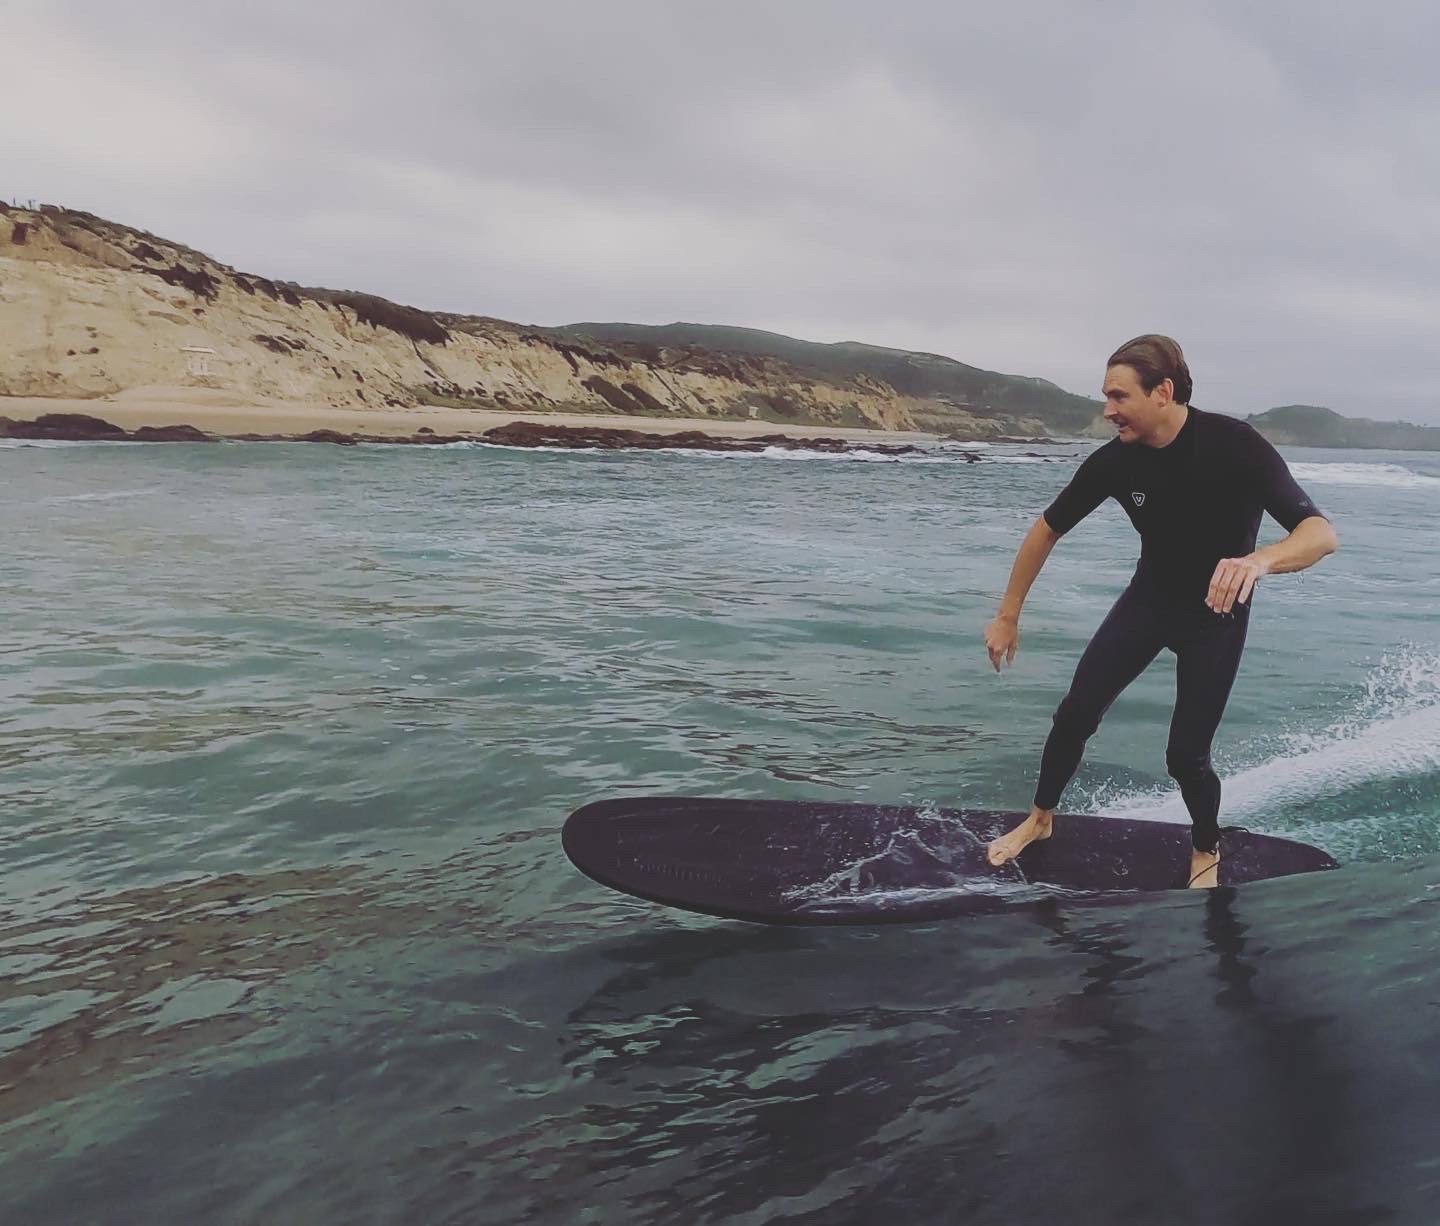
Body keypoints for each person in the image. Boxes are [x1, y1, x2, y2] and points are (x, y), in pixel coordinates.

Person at [982, 335, 1338, 888]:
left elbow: (1319, 534)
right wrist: (1008, 615)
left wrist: (1258, 561)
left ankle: (1205, 847)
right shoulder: (1115, 462)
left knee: (1185, 756)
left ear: (1163, 392)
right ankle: (1041, 818)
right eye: (1106, 396)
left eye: (1119, 396)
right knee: (1074, 716)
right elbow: (1046, 529)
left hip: (1215, 617)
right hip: (1148, 603)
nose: (1108, 410)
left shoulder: (1234, 445)